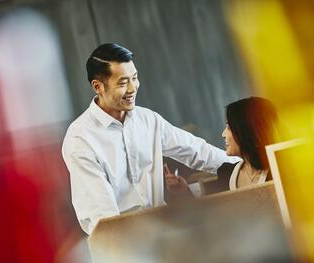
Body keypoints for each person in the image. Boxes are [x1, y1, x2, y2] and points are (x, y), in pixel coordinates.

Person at [62, 43, 238, 234]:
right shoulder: (81, 139)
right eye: (122, 83)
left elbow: (197, 150)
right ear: (98, 86)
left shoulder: (147, 119)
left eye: (134, 78)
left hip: (162, 234)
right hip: (122, 245)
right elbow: (105, 219)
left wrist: (248, 166)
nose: (132, 88)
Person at [202, 97, 280, 194]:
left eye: (229, 128)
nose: (223, 134)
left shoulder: (280, 171)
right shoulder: (226, 174)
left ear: (248, 131)